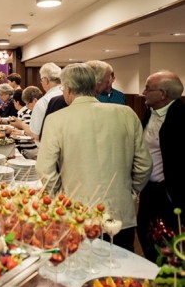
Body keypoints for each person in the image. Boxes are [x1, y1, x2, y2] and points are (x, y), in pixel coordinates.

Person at [36, 62, 152, 252]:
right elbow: (144, 164)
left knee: (81, 273)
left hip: (76, 213)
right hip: (120, 212)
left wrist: (60, 199)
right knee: (121, 271)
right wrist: (130, 191)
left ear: (69, 89)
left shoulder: (56, 119)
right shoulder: (127, 114)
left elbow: (44, 169)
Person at [137, 70, 185, 263]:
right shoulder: (150, 112)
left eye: (148, 88)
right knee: (145, 234)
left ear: (163, 94)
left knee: (170, 245)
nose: (142, 92)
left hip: (170, 192)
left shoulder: (181, 118)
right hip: (148, 190)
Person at [10, 89, 38, 158]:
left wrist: (20, 132)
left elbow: (30, 132)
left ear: (17, 102)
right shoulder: (22, 112)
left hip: (28, 150)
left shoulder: (26, 113)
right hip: (25, 148)